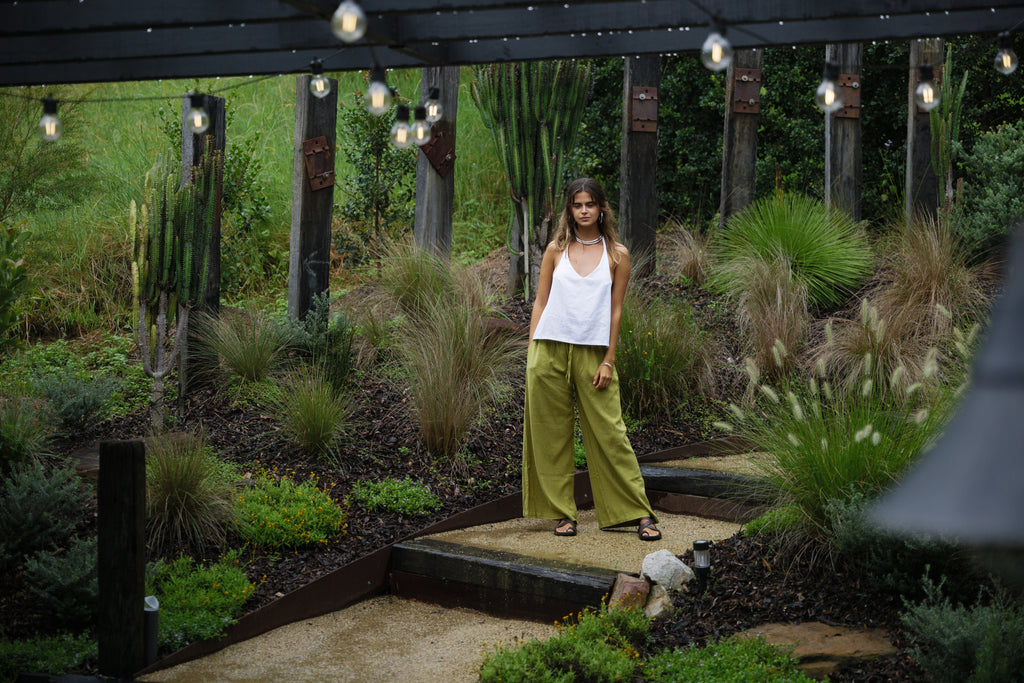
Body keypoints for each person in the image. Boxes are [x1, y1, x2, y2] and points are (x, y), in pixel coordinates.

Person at [522, 177, 661, 541]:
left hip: (593, 354)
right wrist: (532, 350)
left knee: (610, 433)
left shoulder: (618, 254)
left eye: (590, 204)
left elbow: (616, 311)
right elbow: (540, 301)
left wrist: (609, 360)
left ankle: (639, 512)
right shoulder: (556, 250)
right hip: (549, 348)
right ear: (569, 209)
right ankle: (562, 514)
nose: (583, 211)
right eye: (577, 205)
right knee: (550, 435)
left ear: (601, 208)